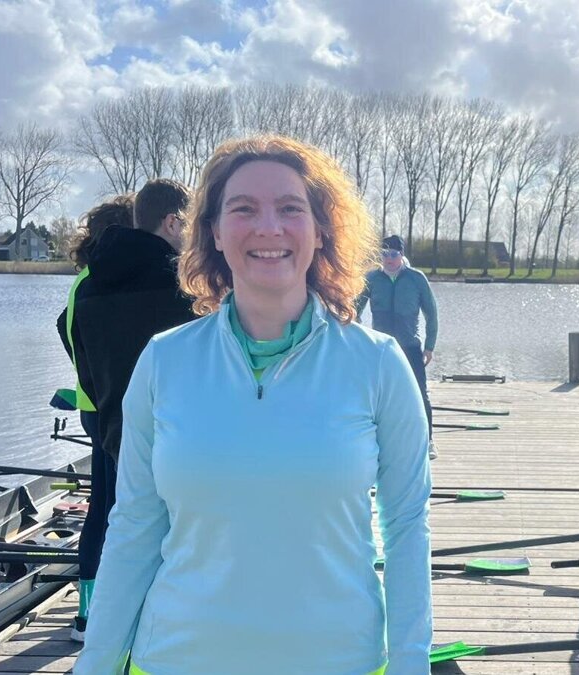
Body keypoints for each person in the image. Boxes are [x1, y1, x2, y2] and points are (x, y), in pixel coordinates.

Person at [75, 135, 433, 675]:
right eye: (243, 209)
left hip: (339, 660)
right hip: (175, 659)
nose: (269, 227)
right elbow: (135, 526)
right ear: (214, 232)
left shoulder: (378, 363)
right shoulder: (164, 360)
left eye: (291, 208)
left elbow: (406, 525)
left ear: (321, 231)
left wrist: (411, 663)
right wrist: (95, 664)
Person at [68, 179, 196, 641]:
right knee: (178, 549)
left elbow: (80, 355)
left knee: (121, 532)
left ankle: (102, 628)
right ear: (170, 221)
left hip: (118, 433)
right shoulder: (185, 283)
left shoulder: (88, 286)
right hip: (183, 440)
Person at [54, 195, 134, 641]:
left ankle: (87, 613)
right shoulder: (97, 284)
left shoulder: (85, 280)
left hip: (93, 406)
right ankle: (95, 617)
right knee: (111, 509)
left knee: (102, 507)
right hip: (105, 410)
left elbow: (64, 332)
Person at [356, 234, 440, 460]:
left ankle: (428, 441)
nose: (389, 259)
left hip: (410, 346)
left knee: (420, 393)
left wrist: (429, 346)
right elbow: (354, 309)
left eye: (393, 254)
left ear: (401, 255)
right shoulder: (372, 278)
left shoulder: (416, 278)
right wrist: (359, 338)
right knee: (376, 396)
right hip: (380, 348)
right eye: (384, 254)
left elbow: (431, 313)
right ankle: (377, 441)